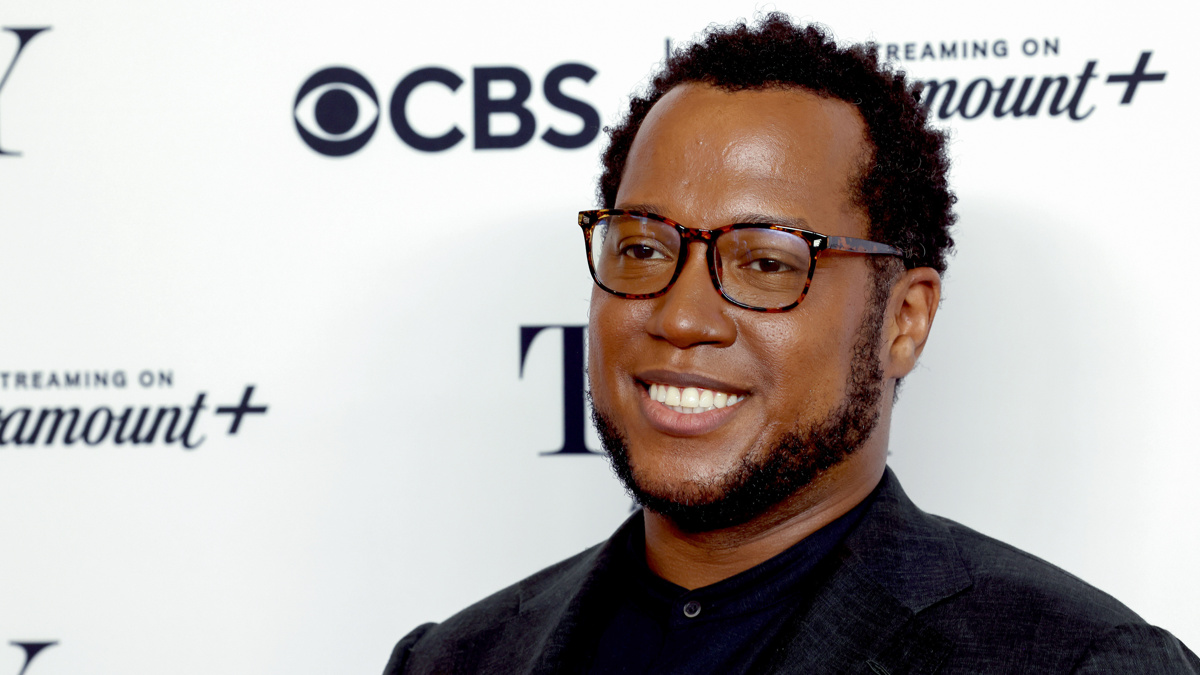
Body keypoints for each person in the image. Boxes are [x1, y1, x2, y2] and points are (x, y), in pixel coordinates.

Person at [383, 14, 1199, 674]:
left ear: (904, 320)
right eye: (641, 250)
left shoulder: (1075, 662)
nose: (683, 316)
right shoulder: (454, 657)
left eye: (767, 261)